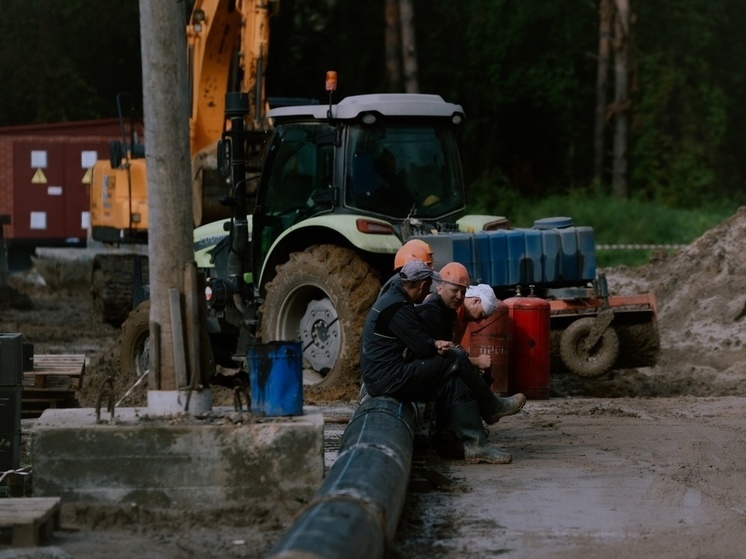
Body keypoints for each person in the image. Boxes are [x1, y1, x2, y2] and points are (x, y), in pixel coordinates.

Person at [360, 260, 525, 464]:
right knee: (454, 359)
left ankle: (473, 445)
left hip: (388, 374)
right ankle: (490, 407)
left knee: (453, 382)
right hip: (387, 378)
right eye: (429, 286)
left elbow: (419, 343)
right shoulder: (400, 308)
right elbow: (421, 348)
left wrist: (434, 345)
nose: (429, 292)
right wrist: (436, 345)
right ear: (422, 285)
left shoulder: (395, 294)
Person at [415, 262, 525, 459]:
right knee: (458, 377)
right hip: (417, 372)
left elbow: (447, 348)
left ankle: (455, 440)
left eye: (462, 292)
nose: (481, 321)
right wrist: (475, 362)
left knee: (457, 381)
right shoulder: (434, 310)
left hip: (425, 368)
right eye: (482, 315)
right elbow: (442, 352)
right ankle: (486, 412)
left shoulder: (448, 310)